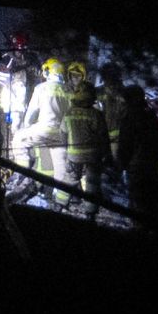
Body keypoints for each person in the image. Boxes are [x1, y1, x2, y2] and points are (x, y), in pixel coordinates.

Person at [10, 57, 70, 200]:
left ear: (48, 71)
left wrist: (25, 127)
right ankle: (60, 198)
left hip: (44, 129)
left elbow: (31, 114)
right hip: (62, 134)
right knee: (60, 166)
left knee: (18, 139)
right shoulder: (68, 90)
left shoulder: (41, 88)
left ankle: (22, 172)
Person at [58, 82, 111, 217]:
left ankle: (60, 205)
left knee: (70, 178)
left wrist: (66, 148)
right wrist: (106, 153)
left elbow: (63, 133)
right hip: (93, 155)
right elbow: (103, 136)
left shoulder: (69, 113)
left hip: (74, 155)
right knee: (92, 182)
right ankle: (90, 212)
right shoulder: (96, 114)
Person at [118, 85, 158, 224]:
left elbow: (125, 145)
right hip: (152, 165)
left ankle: (139, 228)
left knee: (138, 200)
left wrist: (121, 164)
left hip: (136, 167)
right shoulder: (150, 115)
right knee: (152, 200)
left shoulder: (129, 117)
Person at [0, 32, 40, 156]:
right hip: (8, 106)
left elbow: (36, 77)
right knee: (10, 135)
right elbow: (0, 79)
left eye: (22, 49)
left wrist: (30, 66)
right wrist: (14, 69)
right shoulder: (6, 59)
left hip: (22, 105)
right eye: (18, 49)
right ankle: (7, 162)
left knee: (21, 135)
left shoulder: (28, 60)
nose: (20, 52)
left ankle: (20, 163)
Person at [95, 63, 126, 164]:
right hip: (106, 138)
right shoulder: (125, 91)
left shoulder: (124, 92)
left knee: (114, 167)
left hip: (115, 138)